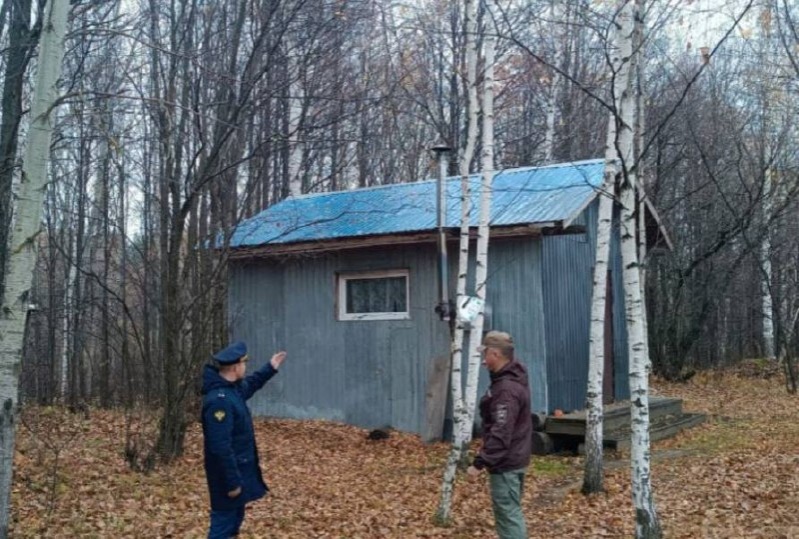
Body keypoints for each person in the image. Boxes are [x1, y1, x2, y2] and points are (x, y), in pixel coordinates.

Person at [201, 341, 287, 539]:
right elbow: (220, 447)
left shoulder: (231, 390)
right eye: (244, 364)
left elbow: (252, 383)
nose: (245, 367)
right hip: (227, 478)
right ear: (235, 367)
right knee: (223, 525)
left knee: (233, 523)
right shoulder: (219, 401)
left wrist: (270, 367)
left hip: (238, 473)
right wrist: (232, 483)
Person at [467, 330, 533, 539]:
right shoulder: (511, 380)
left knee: (508, 516)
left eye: (485, 354)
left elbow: (501, 430)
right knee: (510, 512)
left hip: (506, 464)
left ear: (495, 354)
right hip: (514, 458)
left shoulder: (506, 389)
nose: (484, 361)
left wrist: (480, 462)